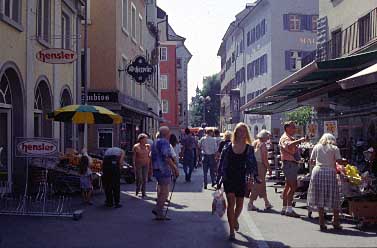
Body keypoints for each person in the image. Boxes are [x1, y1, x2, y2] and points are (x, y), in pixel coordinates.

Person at [217, 123, 258, 241]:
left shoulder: (249, 148)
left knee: (240, 204)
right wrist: (219, 179)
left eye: (244, 131)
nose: (241, 133)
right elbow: (221, 163)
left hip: (242, 178)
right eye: (239, 131)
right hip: (229, 177)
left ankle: (234, 219)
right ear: (235, 133)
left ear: (246, 133)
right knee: (231, 203)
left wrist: (255, 176)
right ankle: (231, 231)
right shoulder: (228, 147)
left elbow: (253, 164)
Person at [307, 133, 343, 231]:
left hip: (317, 171)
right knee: (334, 196)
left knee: (319, 197)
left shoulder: (317, 146)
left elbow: (311, 161)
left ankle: (322, 223)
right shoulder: (335, 148)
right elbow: (339, 161)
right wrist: (344, 161)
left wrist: (319, 163)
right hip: (330, 172)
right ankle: (336, 221)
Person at [151, 126, 179, 220]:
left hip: (156, 169)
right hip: (163, 169)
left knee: (161, 191)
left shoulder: (155, 142)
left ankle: (158, 209)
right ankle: (159, 211)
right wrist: (175, 168)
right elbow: (166, 157)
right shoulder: (164, 142)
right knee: (165, 192)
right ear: (167, 134)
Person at [279, 121, 306, 217]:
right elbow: (288, 145)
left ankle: (284, 208)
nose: (295, 129)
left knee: (287, 186)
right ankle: (289, 209)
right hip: (289, 164)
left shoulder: (290, 138)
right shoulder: (285, 138)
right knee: (293, 187)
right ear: (287, 128)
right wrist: (300, 140)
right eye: (293, 127)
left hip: (290, 164)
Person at [248, 130, 273, 211]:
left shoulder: (255, 143)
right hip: (260, 165)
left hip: (254, 165)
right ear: (265, 137)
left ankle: (267, 202)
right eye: (267, 137)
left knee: (261, 184)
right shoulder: (263, 145)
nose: (268, 138)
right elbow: (264, 159)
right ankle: (250, 203)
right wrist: (269, 168)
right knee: (258, 184)